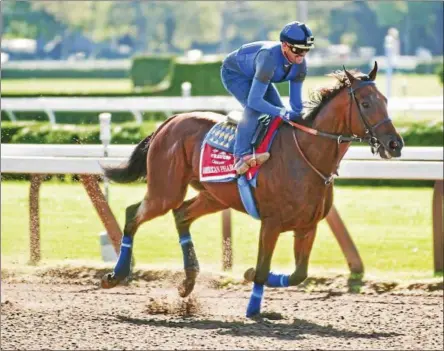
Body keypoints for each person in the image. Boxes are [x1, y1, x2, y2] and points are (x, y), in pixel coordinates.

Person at [220, 21, 315, 175]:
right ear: (284, 46)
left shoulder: (300, 65)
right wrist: (282, 111)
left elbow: (295, 103)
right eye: (297, 50)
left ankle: (269, 148)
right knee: (255, 109)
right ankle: (240, 157)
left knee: (279, 116)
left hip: (257, 74)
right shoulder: (269, 58)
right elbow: (254, 101)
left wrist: (301, 117)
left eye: (306, 51)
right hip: (235, 74)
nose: (301, 56)